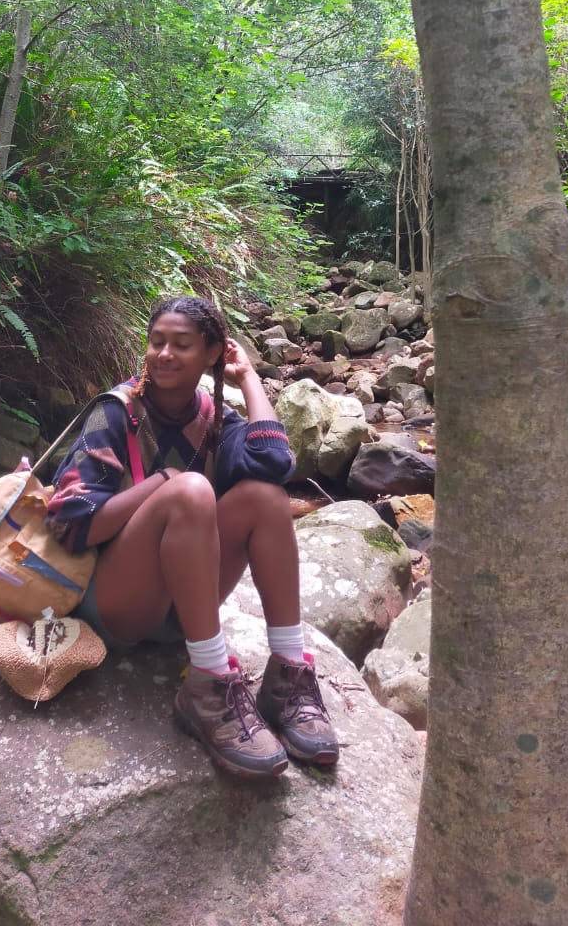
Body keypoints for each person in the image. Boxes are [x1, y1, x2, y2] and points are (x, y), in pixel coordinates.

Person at [44, 294, 338, 780]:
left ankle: (289, 672)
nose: (164, 354)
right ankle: (208, 681)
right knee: (191, 490)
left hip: (182, 610)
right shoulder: (116, 413)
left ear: (211, 354)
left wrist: (246, 377)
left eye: (182, 344)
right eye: (157, 341)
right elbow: (72, 526)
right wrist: (162, 487)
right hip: (117, 607)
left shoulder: (216, 417)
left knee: (264, 497)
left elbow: (275, 464)